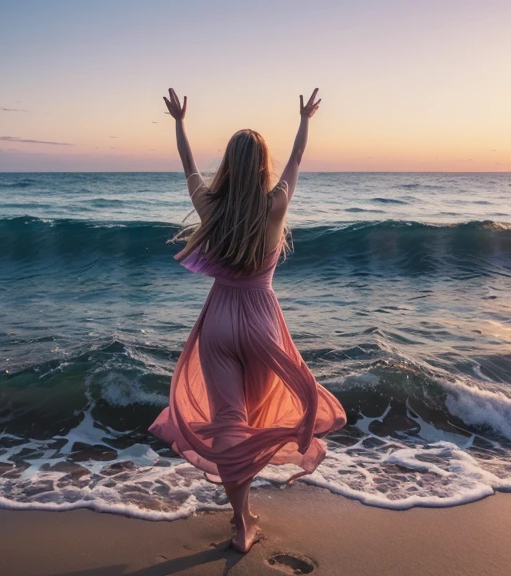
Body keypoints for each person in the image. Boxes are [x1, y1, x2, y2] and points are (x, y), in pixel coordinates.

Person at [148, 88, 347, 553]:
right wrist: (305, 119)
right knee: (254, 424)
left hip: (219, 322)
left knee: (230, 423)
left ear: (229, 166)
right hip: (261, 324)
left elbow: (188, 167)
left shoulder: (211, 209)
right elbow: (297, 158)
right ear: (262, 165)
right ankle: (245, 516)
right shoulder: (275, 205)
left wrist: (179, 122)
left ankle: (242, 521)